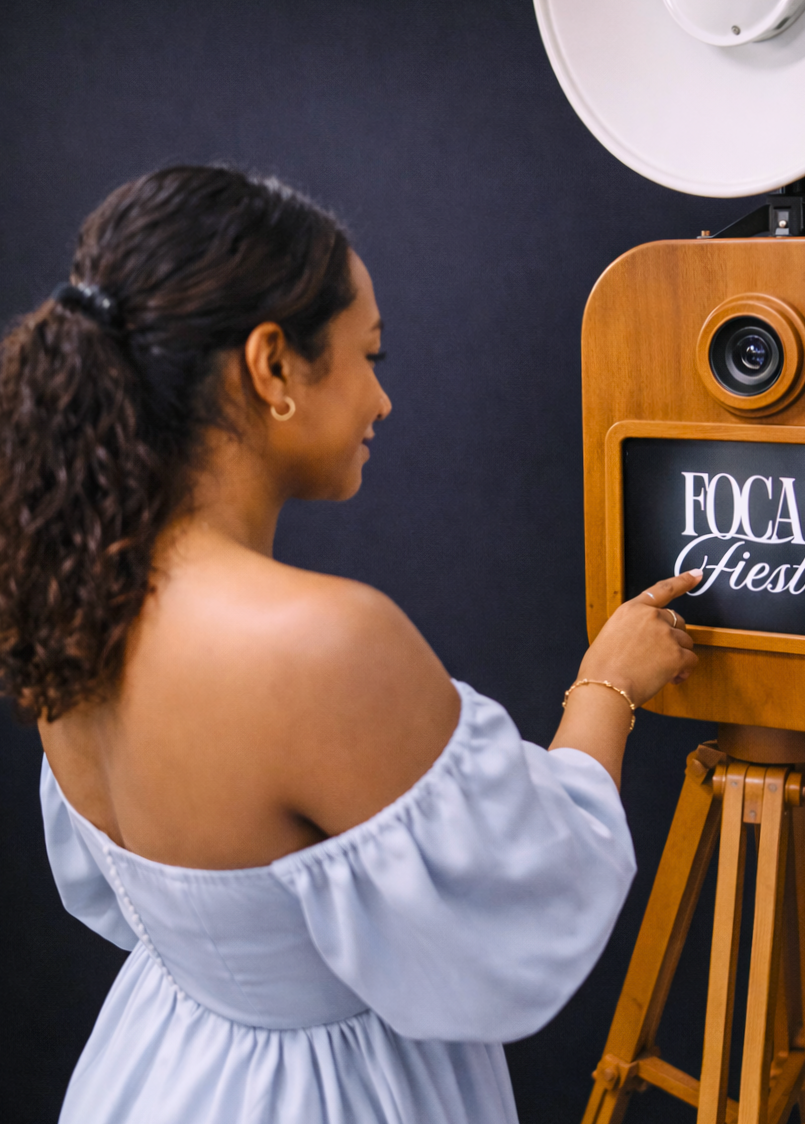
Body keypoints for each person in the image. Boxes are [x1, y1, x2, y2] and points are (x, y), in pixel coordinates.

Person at [0, 165, 701, 1124]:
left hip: (156, 1072)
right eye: (368, 354)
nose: (381, 400)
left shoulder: (70, 598)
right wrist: (606, 687)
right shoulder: (319, 644)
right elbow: (535, 896)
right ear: (272, 367)